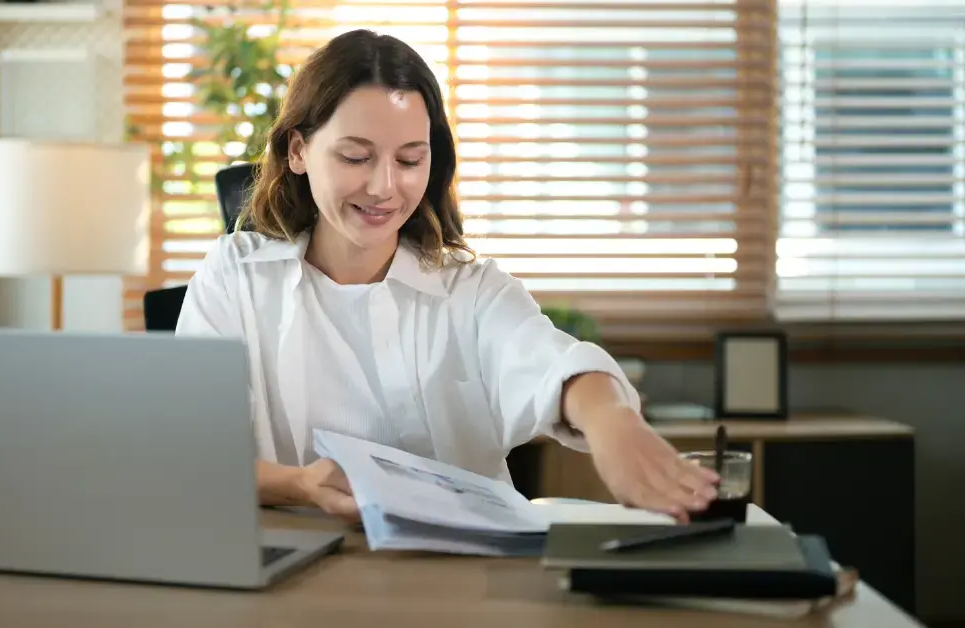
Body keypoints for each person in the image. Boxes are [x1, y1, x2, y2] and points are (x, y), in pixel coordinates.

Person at [176, 29, 720, 523]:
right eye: (356, 157)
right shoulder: (236, 277)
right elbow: (190, 454)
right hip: (295, 568)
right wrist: (301, 484)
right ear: (298, 150)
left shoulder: (471, 289)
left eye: (410, 160)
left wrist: (611, 423)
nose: (385, 187)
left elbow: (548, 360)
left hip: (458, 576)